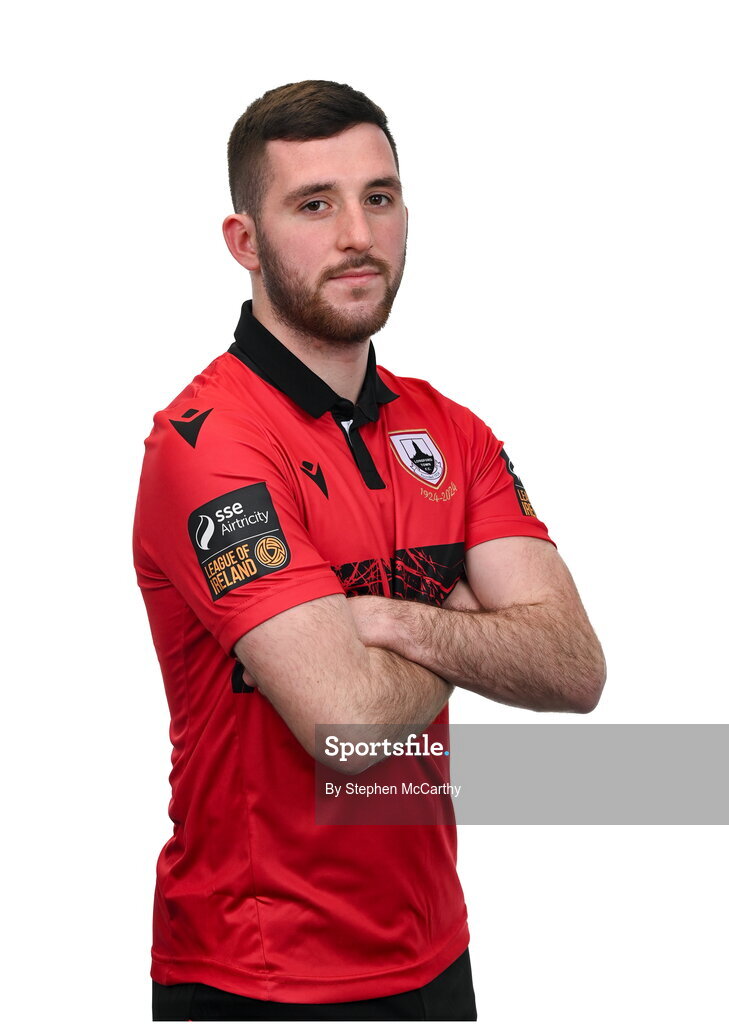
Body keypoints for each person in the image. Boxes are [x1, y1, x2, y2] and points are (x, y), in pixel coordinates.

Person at [133, 80, 606, 1022]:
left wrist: (391, 619)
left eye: (378, 197)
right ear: (244, 244)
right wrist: (469, 627)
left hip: (435, 955)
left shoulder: (451, 430)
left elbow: (574, 668)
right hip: (256, 972)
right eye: (314, 204)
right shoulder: (207, 445)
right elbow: (342, 727)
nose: (357, 233)